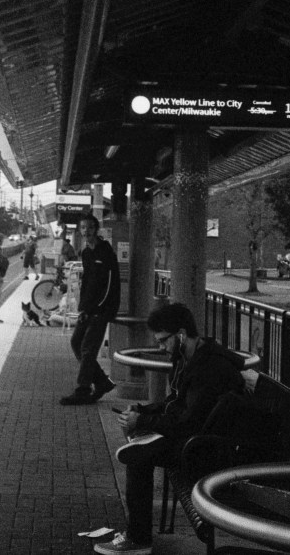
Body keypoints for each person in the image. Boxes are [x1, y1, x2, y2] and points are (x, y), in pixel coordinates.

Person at [95, 302, 246, 555]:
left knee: (137, 456)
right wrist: (142, 411)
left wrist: (142, 422)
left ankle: (138, 539)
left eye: (164, 341)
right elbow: (174, 404)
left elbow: (188, 421)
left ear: (181, 335)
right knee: (138, 446)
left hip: (208, 448)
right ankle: (137, 536)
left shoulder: (209, 368)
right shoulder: (188, 357)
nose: (161, 347)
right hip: (197, 437)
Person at [60, 213, 119, 405]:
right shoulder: (86, 253)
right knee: (76, 342)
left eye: (90, 228)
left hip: (102, 309)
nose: (86, 231)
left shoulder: (106, 251)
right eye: (83, 228)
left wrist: (99, 307)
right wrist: (83, 307)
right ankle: (101, 382)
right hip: (88, 308)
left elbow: (110, 283)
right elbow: (86, 283)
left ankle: (83, 389)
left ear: (96, 230)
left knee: (88, 348)